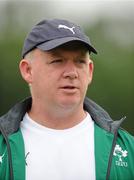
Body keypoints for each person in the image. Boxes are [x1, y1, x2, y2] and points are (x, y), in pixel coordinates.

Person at [0, 19, 134, 180]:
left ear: (90, 71)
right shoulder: (3, 146)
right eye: (57, 61)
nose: (71, 72)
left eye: (80, 62)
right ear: (28, 70)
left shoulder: (127, 149)